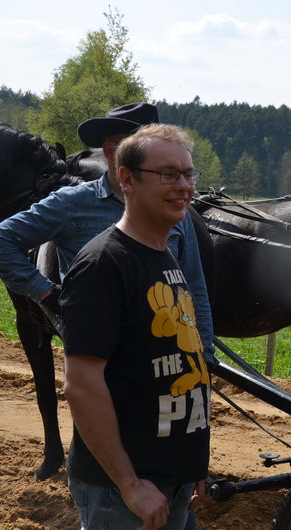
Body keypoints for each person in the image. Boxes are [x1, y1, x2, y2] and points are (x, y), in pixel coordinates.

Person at [61, 123, 210, 529]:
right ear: (126, 179)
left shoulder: (164, 256)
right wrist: (128, 484)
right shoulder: (103, 266)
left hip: (172, 480)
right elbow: (81, 384)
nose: (183, 186)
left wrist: (191, 461)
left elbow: (182, 364)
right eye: (167, 174)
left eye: (188, 174)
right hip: (124, 492)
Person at [0, 102, 214, 361]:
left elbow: (195, 287)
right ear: (112, 152)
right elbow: (1, 240)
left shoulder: (178, 213)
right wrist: (46, 292)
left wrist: (204, 353)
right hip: (97, 358)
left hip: (163, 355)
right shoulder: (71, 204)